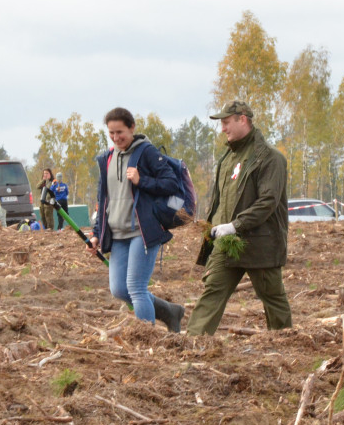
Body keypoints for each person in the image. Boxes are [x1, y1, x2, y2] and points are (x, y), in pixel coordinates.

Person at [187, 101, 293, 336]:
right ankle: (193, 344)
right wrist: (211, 228)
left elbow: (268, 202)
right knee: (212, 290)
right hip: (227, 244)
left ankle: (285, 344)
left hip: (261, 244)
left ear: (242, 119)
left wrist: (236, 225)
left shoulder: (270, 158)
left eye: (226, 122)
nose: (223, 128)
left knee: (272, 298)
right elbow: (221, 200)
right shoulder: (227, 158)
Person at [88, 107, 186, 332]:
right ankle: (170, 311)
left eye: (120, 132)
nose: (116, 137)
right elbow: (103, 201)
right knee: (119, 290)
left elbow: (171, 183)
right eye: (111, 133)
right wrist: (96, 234)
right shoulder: (107, 158)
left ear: (132, 128)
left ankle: (146, 339)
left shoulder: (147, 152)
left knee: (136, 287)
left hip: (142, 232)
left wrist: (143, 181)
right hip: (118, 234)